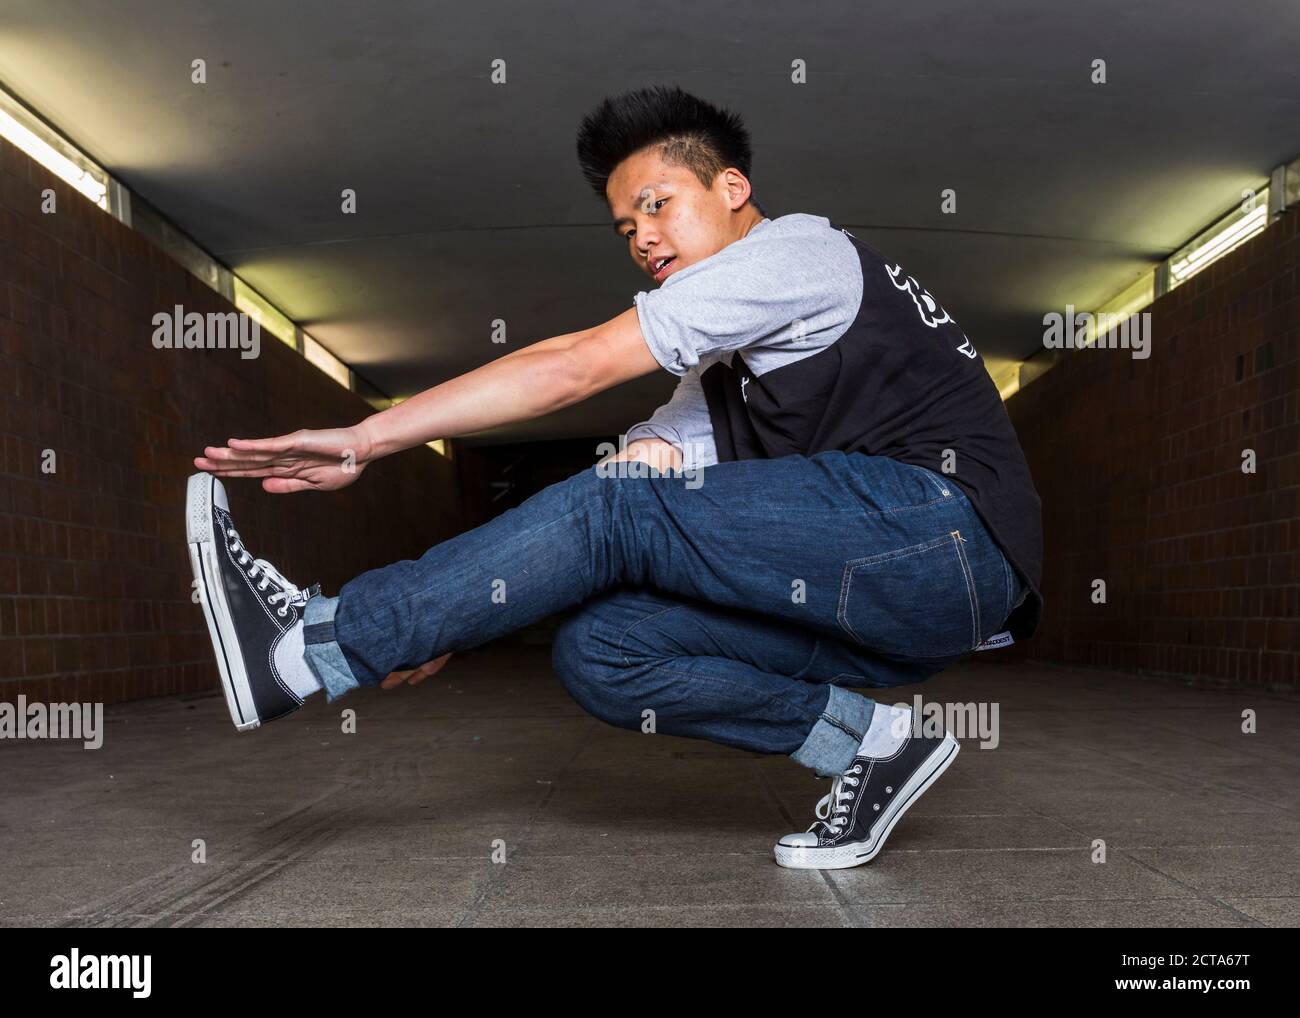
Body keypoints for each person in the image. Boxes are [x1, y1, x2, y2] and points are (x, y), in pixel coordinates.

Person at [188, 84, 1042, 870]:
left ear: (732, 189)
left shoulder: (799, 255)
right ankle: (874, 747)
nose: (642, 236)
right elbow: (627, 485)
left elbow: (572, 368)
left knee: (621, 511)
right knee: (603, 648)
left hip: (946, 541)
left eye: (658, 205)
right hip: (891, 611)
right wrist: (460, 610)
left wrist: (367, 439)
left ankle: (312, 648)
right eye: (627, 227)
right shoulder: (717, 380)